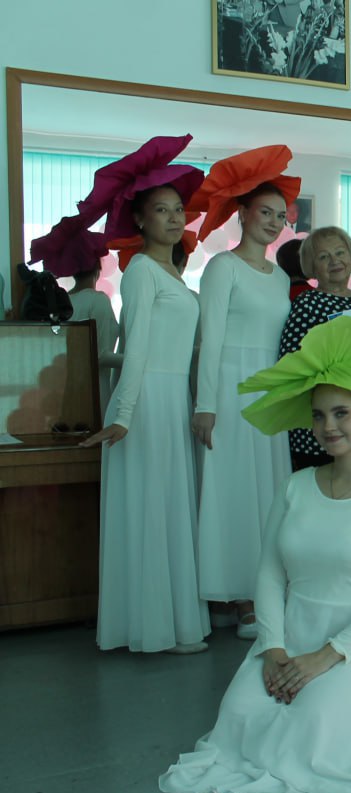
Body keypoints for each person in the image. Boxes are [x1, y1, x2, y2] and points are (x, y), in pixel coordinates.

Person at [159, 316, 351, 793]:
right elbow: (271, 574)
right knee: (240, 720)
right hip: (292, 633)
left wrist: (323, 658)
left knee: (314, 732)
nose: (328, 427)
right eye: (318, 416)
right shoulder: (295, 486)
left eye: (341, 413)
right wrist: (273, 648)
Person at [77, 135, 210, 654]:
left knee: (172, 508)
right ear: (139, 219)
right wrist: (125, 413)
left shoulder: (173, 273)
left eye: (178, 209)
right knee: (154, 510)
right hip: (146, 403)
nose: (174, 218)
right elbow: (135, 351)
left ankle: (173, 622)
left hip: (172, 399)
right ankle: (155, 628)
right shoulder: (139, 273)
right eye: (161, 210)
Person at [188, 148, 300, 640]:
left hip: (268, 393)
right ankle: (232, 595)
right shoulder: (222, 267)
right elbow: (209, 340)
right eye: (265, 212)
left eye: (280, 216)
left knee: (267, 496)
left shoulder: (281, 277)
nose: (274, 222)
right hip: (230, 391)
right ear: (243, 214)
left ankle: (260, 592)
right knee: (232, 492)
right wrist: (206, 404)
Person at [278, 226, 351, 470]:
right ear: (312, 267)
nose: (334, 261)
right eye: (323, 256)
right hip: (324, 420)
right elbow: (290, 360)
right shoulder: (307, 303)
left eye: (340, 253)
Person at [29, 213, 119, 415]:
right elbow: (100, 356)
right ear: (98, 267)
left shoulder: (63, 303)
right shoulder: (97, 300)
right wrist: (138, 361)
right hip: (95, 390)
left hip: (66, 390)